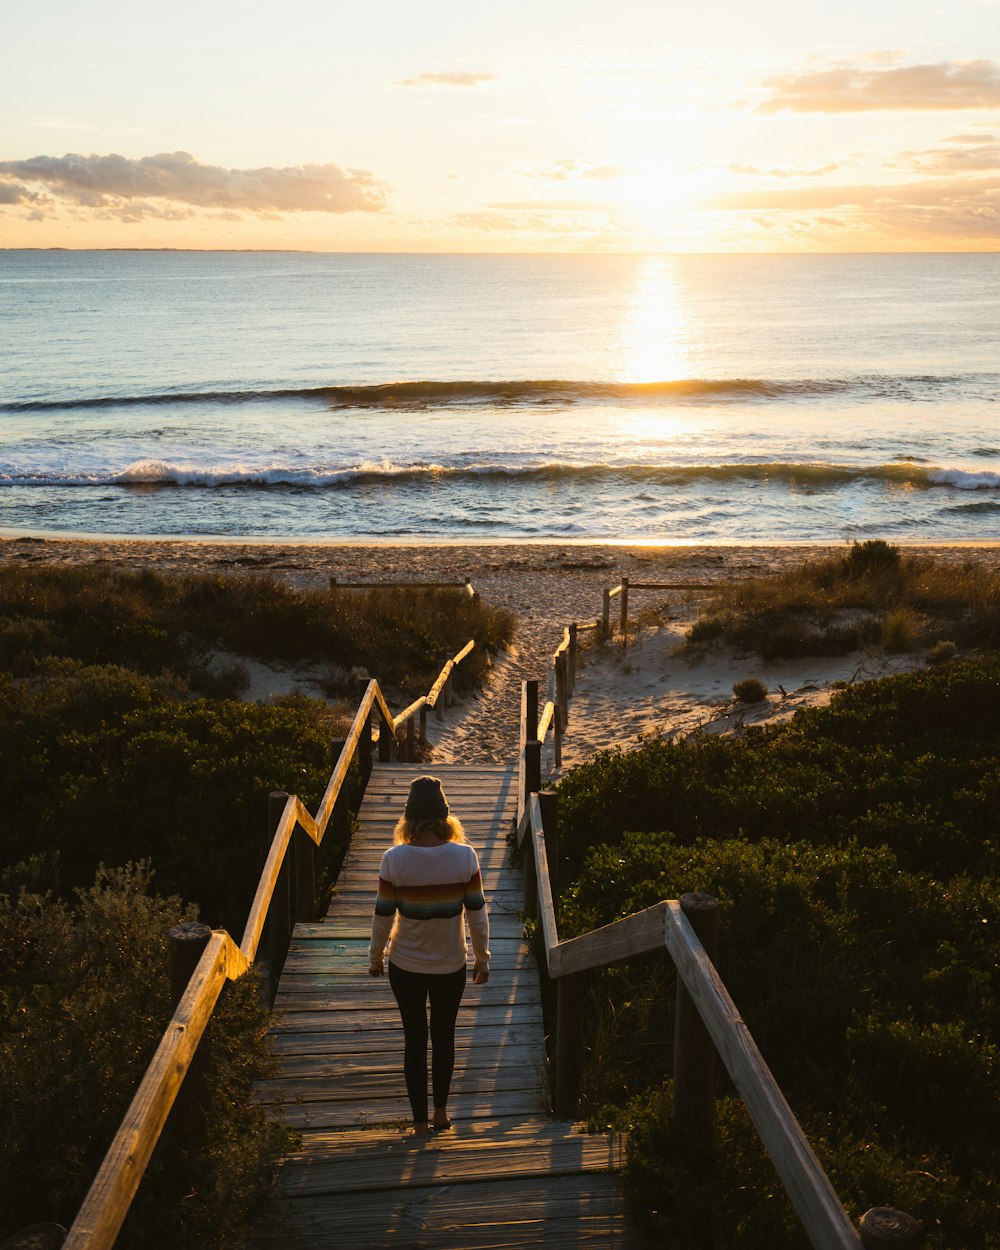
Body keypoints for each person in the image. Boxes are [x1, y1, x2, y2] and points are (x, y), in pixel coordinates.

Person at [369, 774, 490, 1137]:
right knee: (444, 1035)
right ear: (445, 818)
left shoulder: (393, 860)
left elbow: (382, 917)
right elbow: (477, 915)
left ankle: (419, 1122)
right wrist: (482, 958)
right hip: (450, 964)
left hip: (404, 965)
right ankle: (440, 1113)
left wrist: (376, 958)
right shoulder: (465, 857)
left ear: (408, 819)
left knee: (414, 1039)